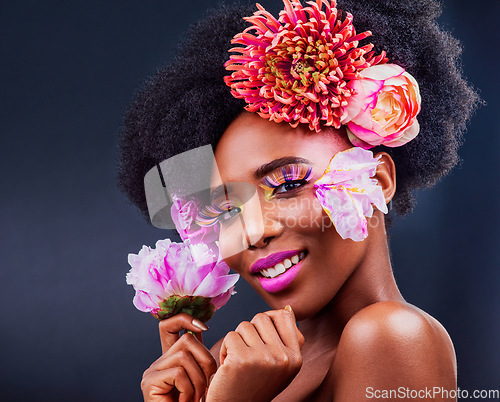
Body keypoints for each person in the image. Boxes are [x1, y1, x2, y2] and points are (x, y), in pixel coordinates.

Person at [118, 0, 480, 400]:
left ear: (377, 179)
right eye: (226, 211)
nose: (253, 233)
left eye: (288, 185)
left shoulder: (390, 334)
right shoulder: (234, 362)